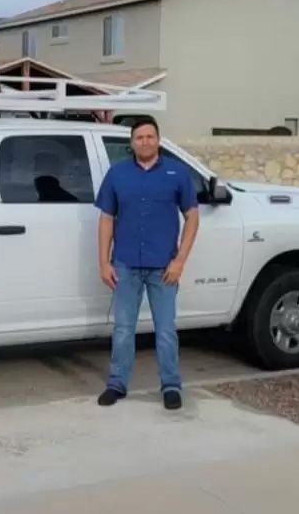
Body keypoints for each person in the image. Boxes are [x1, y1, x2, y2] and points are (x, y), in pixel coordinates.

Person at [93, 118, 199, 410]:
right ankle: (117, 383)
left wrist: (180, 261)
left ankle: (171, 385)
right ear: (131, 143)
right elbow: (106, 219)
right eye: (139, 138)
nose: (145, 142)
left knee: (165, 329)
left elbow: (192, 216)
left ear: (158, 140)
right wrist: (103, 262)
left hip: (164, 267)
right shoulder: (117, 175)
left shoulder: (177, 173)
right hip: (125, 264)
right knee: (124, 329)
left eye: (150, 136)